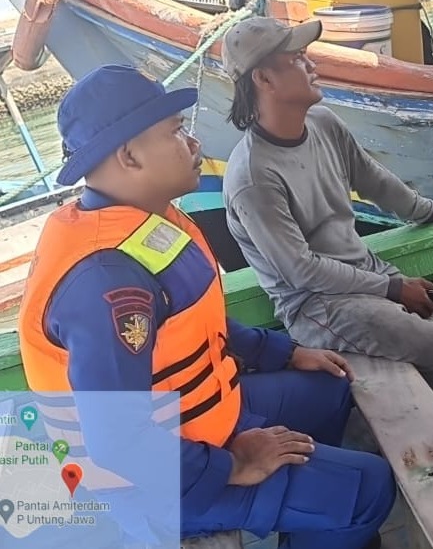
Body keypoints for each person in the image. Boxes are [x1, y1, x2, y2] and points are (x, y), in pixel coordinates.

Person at [16, 65, 395, 548]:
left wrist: (281, 352)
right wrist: (234, 464)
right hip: (155, 481)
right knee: (369, 488)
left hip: (203, 415)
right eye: (176, 133)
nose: (194, 144)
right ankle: (324, 506)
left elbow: (193, 321)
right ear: (129, 155)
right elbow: (117, 441)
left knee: (330, 386)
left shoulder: (145, 220)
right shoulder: (105, 281)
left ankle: (309, 513)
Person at [219, 16, 433, 404]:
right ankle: (378, 436)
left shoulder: (322, 122)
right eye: (298, 59)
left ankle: (408, 418)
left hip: (366, 274)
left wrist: (426, 211)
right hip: (318, 305)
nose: (311, 66)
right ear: (264, 81)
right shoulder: (253, 176)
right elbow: (301, 271)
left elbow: (371, 177)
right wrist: (393, 288)